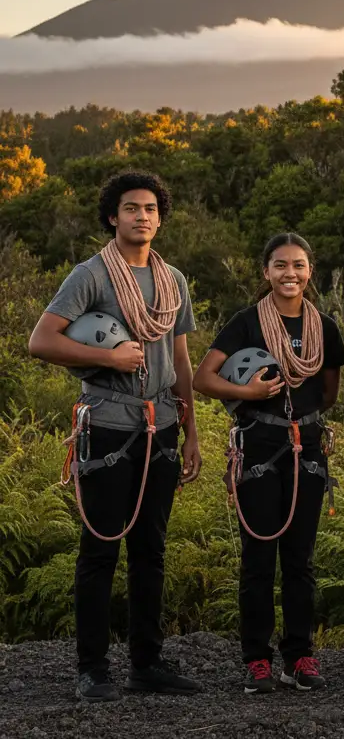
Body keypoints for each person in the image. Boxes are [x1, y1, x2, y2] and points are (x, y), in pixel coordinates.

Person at [28, 170, 203, 703]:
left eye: (150, 209)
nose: (142, 216)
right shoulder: (90, 275)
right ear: (113, 216)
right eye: (131, 208)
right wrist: (107, 357)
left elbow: (179, 357)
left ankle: (147, 663)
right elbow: (41, 341)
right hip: (107, 424)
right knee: (101, 548)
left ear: (159, 217)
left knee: (150, 549)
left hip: (163, 427)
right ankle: (92, 668)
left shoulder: (172, 279)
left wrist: (191, 429)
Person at [193, 233, 344, 694]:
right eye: (280, 265)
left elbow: (329, 391)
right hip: (258, 448)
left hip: (307, 449)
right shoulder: (246, 323)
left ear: (309, 271)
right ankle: (257, 659)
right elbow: (204, 377)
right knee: (259, 559)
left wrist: (301, 420)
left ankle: (299, 657)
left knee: (300, 561)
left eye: (299, 265)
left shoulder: (325, 326)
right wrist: (249, 394)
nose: (290, 274)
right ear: (266, 272)